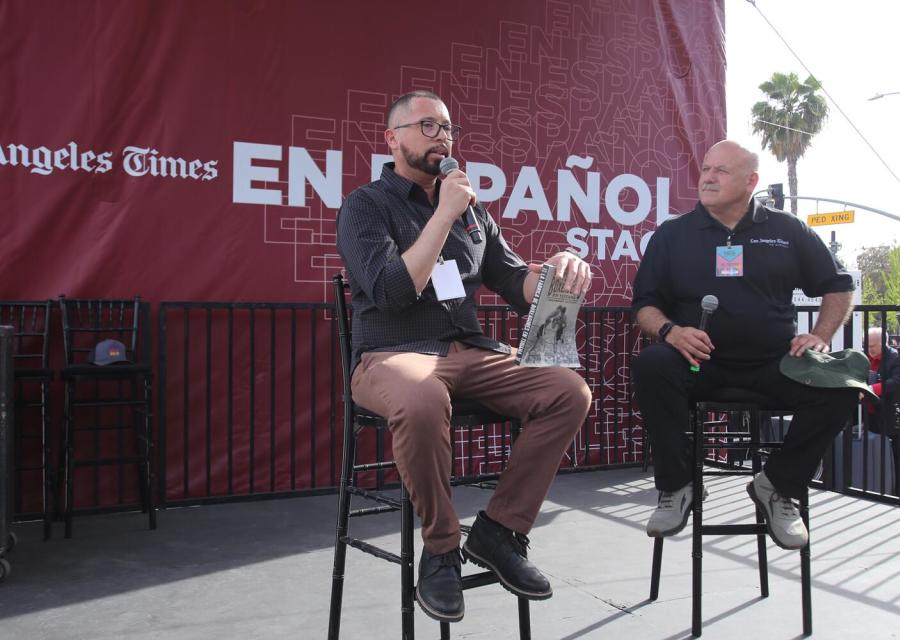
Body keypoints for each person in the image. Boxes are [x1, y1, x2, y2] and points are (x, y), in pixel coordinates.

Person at [336, 90, 592, 623]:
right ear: (393, 138)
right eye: (427, 125)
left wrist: (556, 270)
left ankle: (499, 532)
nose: (442, 136)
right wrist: (443, 212)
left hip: (469, 352)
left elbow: (513, 279)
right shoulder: (366, 205)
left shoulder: (472, 214)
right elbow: (390, 291)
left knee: (567, 390)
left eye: (447, 127)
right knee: (422, 396)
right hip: (391, 355)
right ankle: (441, 547)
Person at [630, 140, 859, 550]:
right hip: (700, 364)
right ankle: (678, 486)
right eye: (705, 169)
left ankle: (777, 485)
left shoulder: (787, 230)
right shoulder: (673, 234)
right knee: (652, 365)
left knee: (843, 386)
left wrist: (821, 335)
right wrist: (671, 332)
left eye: (721, 170)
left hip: (775, 363)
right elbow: (645, 306)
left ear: (751, 181)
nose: (708, 177)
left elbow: (839, 286)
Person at [864, 327, 900, 495]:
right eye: (867, 345)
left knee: (894, 454)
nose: (869, 349)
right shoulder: (865, 356)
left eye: (872, 346)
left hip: (889, 414)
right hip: (871, 413)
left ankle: (897, 492)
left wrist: (872, 388)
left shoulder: (894, 358)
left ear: (883, 343)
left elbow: (896, 382)